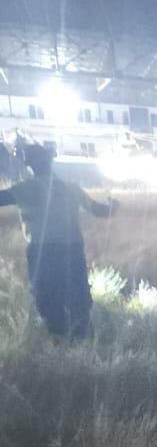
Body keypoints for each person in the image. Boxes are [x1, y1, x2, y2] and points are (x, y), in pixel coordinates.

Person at [0, 145, 116, 340]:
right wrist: (113, 206)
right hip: (73, 250)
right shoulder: (70, 188)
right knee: (78, 298)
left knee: (47, 298)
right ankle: (84, 342)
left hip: (43, 252)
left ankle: (59, 342)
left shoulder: (27, 188)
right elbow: (100, 211)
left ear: (29, 164)